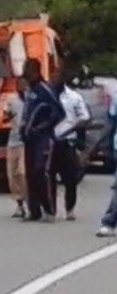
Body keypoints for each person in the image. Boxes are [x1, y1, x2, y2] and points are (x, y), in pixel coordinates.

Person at [17, 57, 63, 223]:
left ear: (35, 71)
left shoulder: (45, 89)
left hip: (43, 138)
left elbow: (58, 113)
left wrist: (43, 127)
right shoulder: (29, 91)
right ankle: (34, 210)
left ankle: (49, 208)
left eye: (27, 69)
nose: (24, 72)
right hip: (29, 139)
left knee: (40, 171)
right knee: (29, 174)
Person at [55, 72, 91, 221]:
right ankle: (49, 208)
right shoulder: (47, 95)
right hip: (49, 141)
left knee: (70, 178)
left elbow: (84, 118)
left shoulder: (74, 97)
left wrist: (72, 131)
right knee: (46, 175)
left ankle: (70, 208)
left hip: (67, 141)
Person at [1, 87, 28, 219]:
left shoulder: (32, 99)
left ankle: (30, 202)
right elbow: (5, 117)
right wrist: (8, 116)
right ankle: (19, 204)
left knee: (23, 172)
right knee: (12, 175)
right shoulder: (12, 100)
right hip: (13, 140)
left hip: (27, 141)